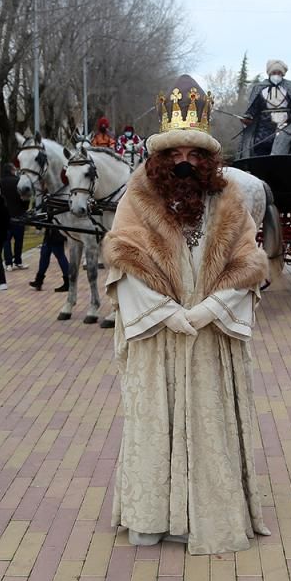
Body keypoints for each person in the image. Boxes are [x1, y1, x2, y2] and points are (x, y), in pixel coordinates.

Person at [103, 75, 271, 555]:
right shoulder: (135, 199)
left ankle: (208, 514)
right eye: (174, 154)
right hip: (158, 338)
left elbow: (248, 260)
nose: (184, 163)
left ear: (209, 160)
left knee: (209, 421)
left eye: (195, 155)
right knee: (154, 423)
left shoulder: (230, 200)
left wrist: (215, 306)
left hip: (212, 337)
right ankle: (151, 517)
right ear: (158, 158)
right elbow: (123, 260)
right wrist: (164, 313)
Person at [239, 59, 291, 158]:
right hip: (264, 125)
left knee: (283, 145)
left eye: (279, 73)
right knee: (260, 146)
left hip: (286, 124)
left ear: (283, 74)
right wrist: (248, 116)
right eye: (274, 72)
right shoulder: (259, 87)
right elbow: (253, 107)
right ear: (269, 73)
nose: (276, 75)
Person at [0, 163, 28, 270]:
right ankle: (18, 261)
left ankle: (8, 263)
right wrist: (25, 208)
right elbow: (25, 197)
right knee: (18, 240)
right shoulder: (18, 181)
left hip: (4, 216)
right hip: (19, 215)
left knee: (6, 241)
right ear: (11, 170)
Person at [29, 225, 70, 292]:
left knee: (60, 256)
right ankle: (39, 280)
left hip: (56, 233)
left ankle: (68, 282)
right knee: (44, 256)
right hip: (50, 233)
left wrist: (39, 227)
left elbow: (49, 216)